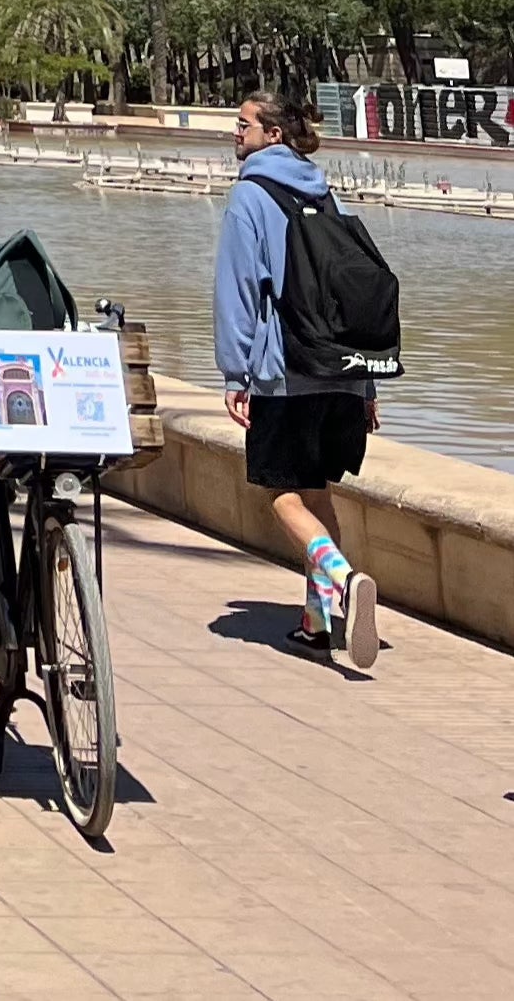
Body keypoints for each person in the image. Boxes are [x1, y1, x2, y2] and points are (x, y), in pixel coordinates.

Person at [215, 90, 382, 669]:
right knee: (318, 492)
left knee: (282, 494)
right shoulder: (323, 191)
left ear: (273, 134)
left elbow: (238, 291)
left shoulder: (250, 196)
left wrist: (235, 373)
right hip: (340, 370)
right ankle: (318, 623)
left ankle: (342, 577)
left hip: (283, 372)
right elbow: (347, 294)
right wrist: (367, 385)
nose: (235, 133)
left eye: (244, 125)